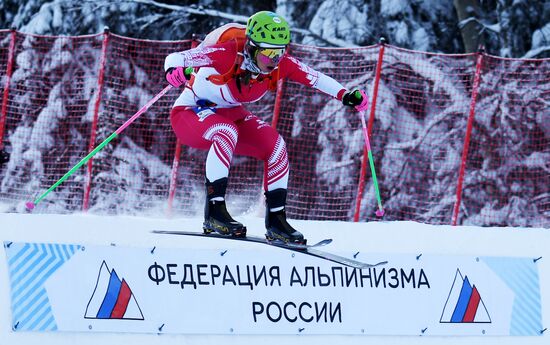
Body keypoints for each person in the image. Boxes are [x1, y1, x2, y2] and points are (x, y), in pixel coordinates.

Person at [164, 11, 367, 245]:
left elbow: (316, 78)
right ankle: (215, 214)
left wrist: (346, 95)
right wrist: (175, 71)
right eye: (268, 52)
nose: (274, 60)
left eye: (280, 52)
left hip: (231, 115)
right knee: (225, 131)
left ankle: (276, 222)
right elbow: (177, 58)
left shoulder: (280, 65)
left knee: (276, 146)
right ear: (251, 46)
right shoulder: (228, 54)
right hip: (190, 113)